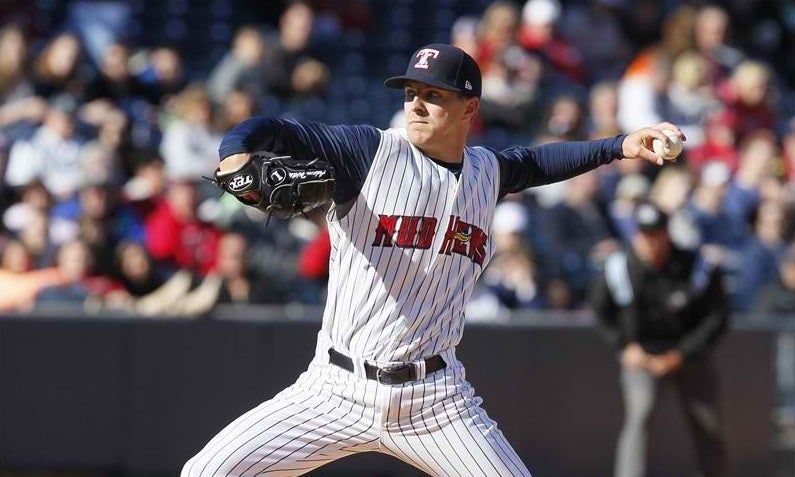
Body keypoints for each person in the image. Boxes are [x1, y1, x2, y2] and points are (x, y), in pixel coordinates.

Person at [182, 43, 683, 477]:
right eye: (410, 93)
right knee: (204, 472)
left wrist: (621, 145)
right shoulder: (368, 151)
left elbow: (539, 162)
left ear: (470, 108)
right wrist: (235, 154)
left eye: (434, 95)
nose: (416, 105)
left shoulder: (489, 172)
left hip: (436, 400)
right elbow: (270, 129)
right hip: (334, 389)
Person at [589, 202, 729, 477]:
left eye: (655, 234)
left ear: (667, 234)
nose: (649, 242)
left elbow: (716, 317)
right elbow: (600, 311)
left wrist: (682, 354)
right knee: (639, 415)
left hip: (687, 355)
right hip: (643, 355)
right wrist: (624, 347)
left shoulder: (695, 267)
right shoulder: (619, 267)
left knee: (707, 423)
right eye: (644, 234)